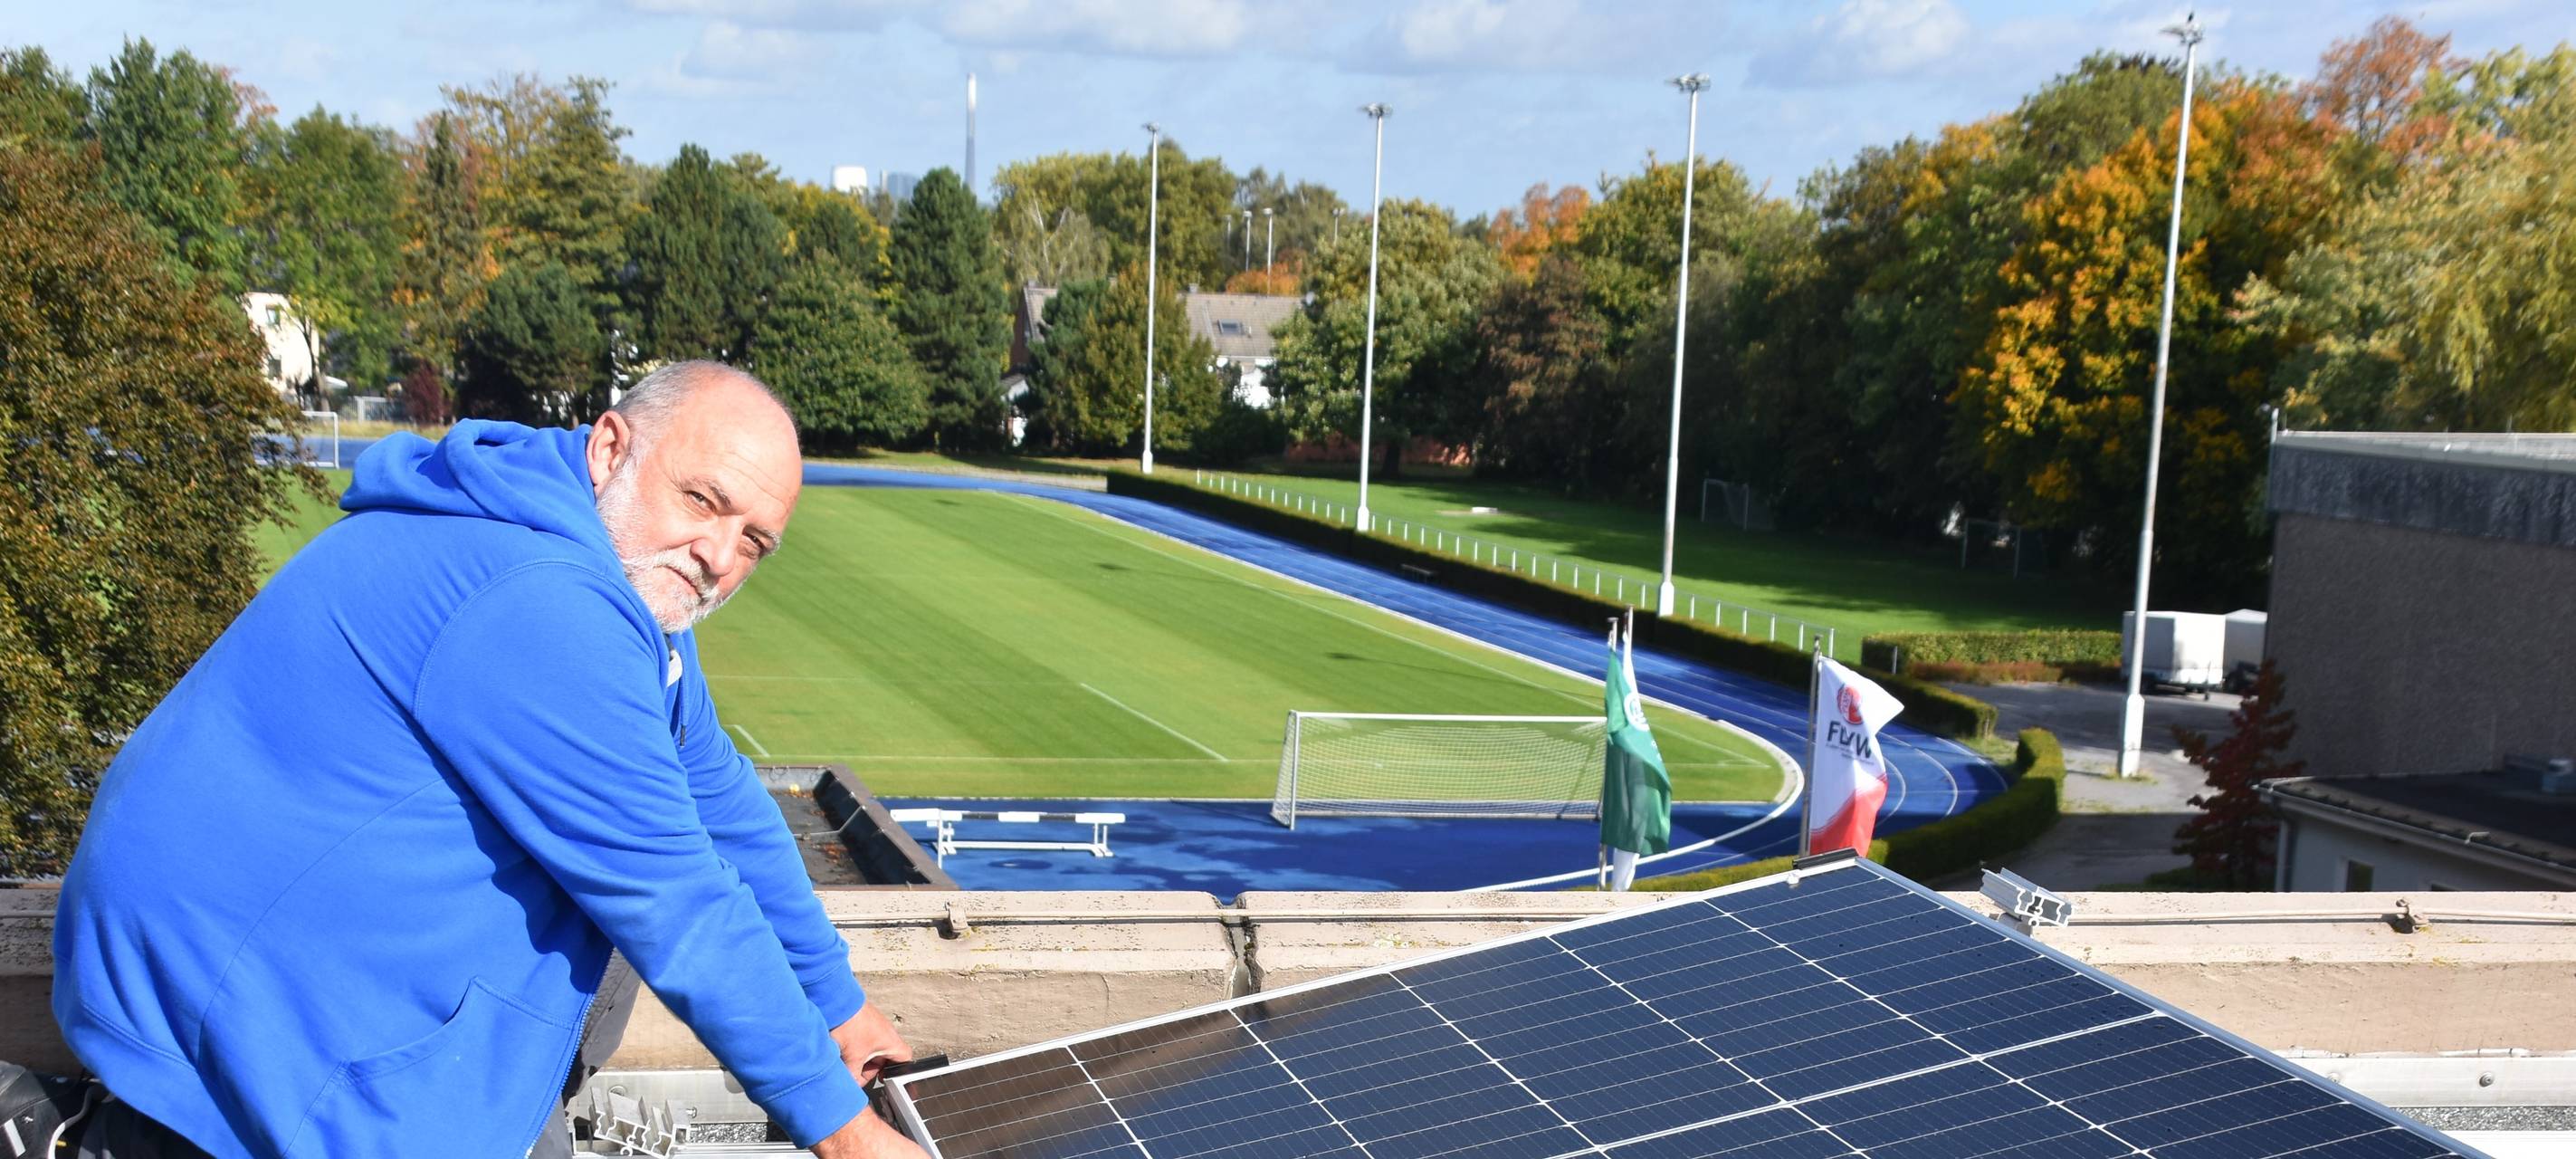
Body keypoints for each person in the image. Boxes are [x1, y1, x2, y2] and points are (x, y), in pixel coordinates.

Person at [34, 363, 929, 1157]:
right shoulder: (538, 599)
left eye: (753, 541)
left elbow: (722, 799)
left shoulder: (616, 573)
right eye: (703, 500)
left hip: (312, 978)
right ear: (609, 446)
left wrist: (837, 1003)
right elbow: (681, 904)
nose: (718, 557)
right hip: (251, 1022)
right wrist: (844, 1132)